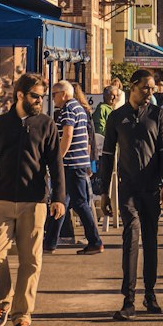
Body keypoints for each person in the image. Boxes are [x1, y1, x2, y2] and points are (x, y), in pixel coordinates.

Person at [0, 72, 65, 326]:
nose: (40, 101)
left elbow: (55, 164)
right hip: (0, 201)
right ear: (20, 95)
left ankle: (23, 314)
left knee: (31, 261)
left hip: (35, 202)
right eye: (36, 96)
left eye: (43, 97)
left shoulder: (47, 124)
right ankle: (3, 302)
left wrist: (58, 198)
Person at [97, 67, 163, 320]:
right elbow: (107, 155)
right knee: (131, 240)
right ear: (133, 87)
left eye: (152, 89)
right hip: (127, 187)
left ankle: (149, 294)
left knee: (151, 242)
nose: (150, 93)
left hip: (152, 188)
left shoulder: (157, 114)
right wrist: (104, 193)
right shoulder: (117, 117)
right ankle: (128, 300)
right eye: (145, 88)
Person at [44, 81, 104, 257]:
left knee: (79, 203)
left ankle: (95, 241)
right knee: (61, 202)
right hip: (77, 162)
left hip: (70, 163)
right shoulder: (78, 107)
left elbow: (68, 134)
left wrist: (58, 158)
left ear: (63, 94)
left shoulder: (68, 109)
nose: (52, 97)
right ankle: (50, 242)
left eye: (54, 94)